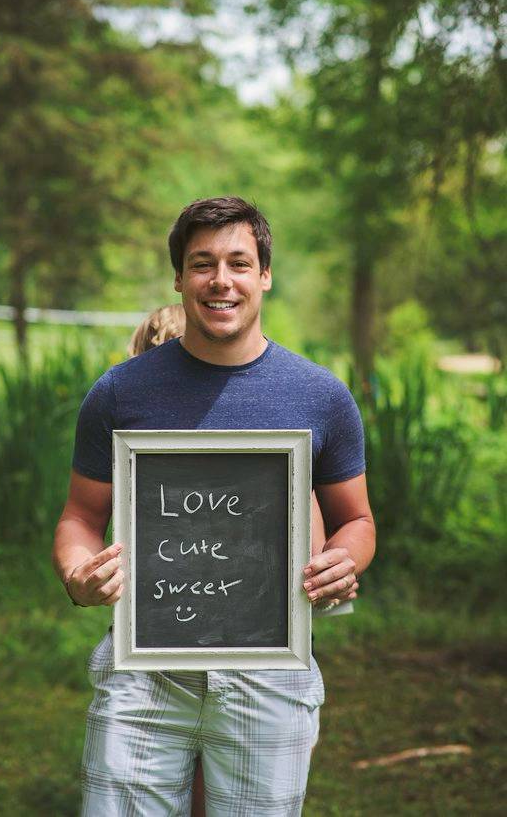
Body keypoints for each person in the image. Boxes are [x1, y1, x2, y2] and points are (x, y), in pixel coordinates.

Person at [53, 196, 375, 816]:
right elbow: (80, 518)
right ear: (179, 279)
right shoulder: (120, 392)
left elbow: (356, 520)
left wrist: (344, 559)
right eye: (202, 264)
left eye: (238, 263)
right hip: (142, 674)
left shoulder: (320, 396)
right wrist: (77, 573)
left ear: (265, 275)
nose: (220, 280)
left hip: (270, 675)